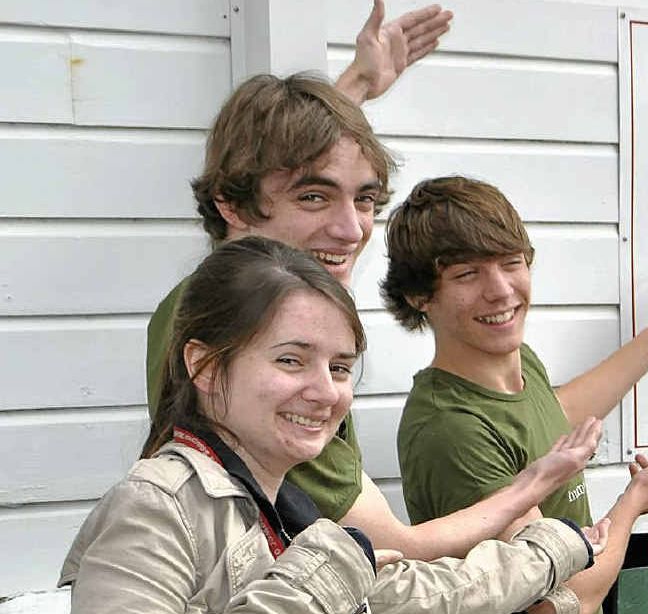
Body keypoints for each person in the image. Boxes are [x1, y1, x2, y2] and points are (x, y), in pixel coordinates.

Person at [144, 3, 605, 611]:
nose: (352, 229)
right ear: (232, 203)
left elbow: (277, 179)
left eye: (366, 200)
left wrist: (354, 88)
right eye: (315, 198)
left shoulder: (208, 302)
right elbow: (392, 550)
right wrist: (538, 494)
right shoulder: (249, 343)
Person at [64, 237, 606, 613]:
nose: (325, 392)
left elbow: (431, 593)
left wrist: (557, 548)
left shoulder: (285, 511)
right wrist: (328, 570)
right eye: (290, 360)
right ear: (205, 366)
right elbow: (331, 574)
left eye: (340, 367)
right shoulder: (158, 507)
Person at [383, 176, 648, 614]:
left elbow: (555, 414)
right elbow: (565, 597)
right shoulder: (452, 430)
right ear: (419, 295)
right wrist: (634, 501)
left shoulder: (515, 361)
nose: (501, 290)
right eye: (467, 274)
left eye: (511, 262)